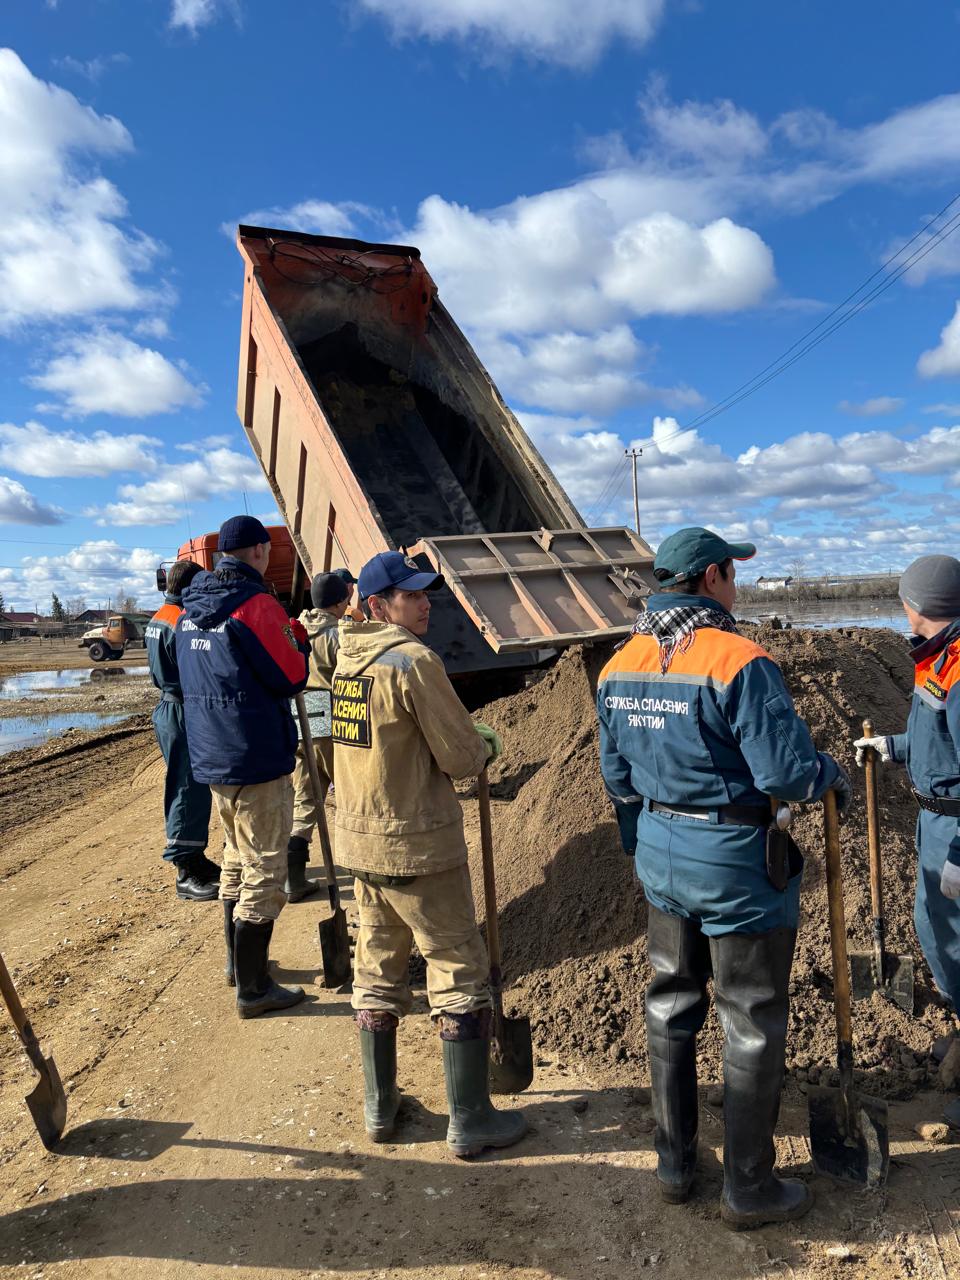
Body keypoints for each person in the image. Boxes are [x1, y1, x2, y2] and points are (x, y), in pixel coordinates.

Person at [597, 527, 849, 1230]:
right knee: (752, 1017)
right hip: (733, 862)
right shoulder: (739, 660)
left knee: (670, 1003)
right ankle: (749, 1187)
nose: (737, 585)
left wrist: (646, 844)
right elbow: (786, 773)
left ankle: (675, 1166)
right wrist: (829, 772)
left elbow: (617, 778)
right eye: (733, 573)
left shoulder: (619, 664)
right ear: (711, 578)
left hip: (660, 854)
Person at [332, 550, 525, 1157]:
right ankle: (471, 1119)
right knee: (458, 966)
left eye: (424, 594)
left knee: (377, 965)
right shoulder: (413, 662)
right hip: (418, 845)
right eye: (411, 596)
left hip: (363, 843)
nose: (425, 605)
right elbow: (460, 757)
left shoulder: (347, 662)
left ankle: (380, 1107)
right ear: (377, 605)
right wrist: (482, 744)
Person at [177, 516, 310, 1018]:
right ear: (258, 551)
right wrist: (297, 641)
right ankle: (254, 989)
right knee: (265, 871)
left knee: (235, 857)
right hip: (255, 755)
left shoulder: (188, 612)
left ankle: (237, 965)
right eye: (267, 549)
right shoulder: (255, 606)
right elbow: (291, 675)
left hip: (213, 755)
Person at [854, 554, 960, 1125]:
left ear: (915, 604)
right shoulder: (938, 657)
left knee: (957, 940)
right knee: (935, 930)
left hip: (956, 828)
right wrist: (892, 747)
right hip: (935, 821)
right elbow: (937, 737)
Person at [145, 559, 217, 901]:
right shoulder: (182, 621)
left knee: (188, 784)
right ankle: (185, 869)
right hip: (181, 708)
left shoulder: (159, 617)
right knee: (187, 786)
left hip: (169, 707)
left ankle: (194, 857)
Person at [286, 571, 352, 902]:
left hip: (298, 717)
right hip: (329, 720)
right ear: (340, 601)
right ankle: (360, 862)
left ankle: (293, 876)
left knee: (306, 797)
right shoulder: (339, 636)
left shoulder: (293, 629)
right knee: (351, 793)